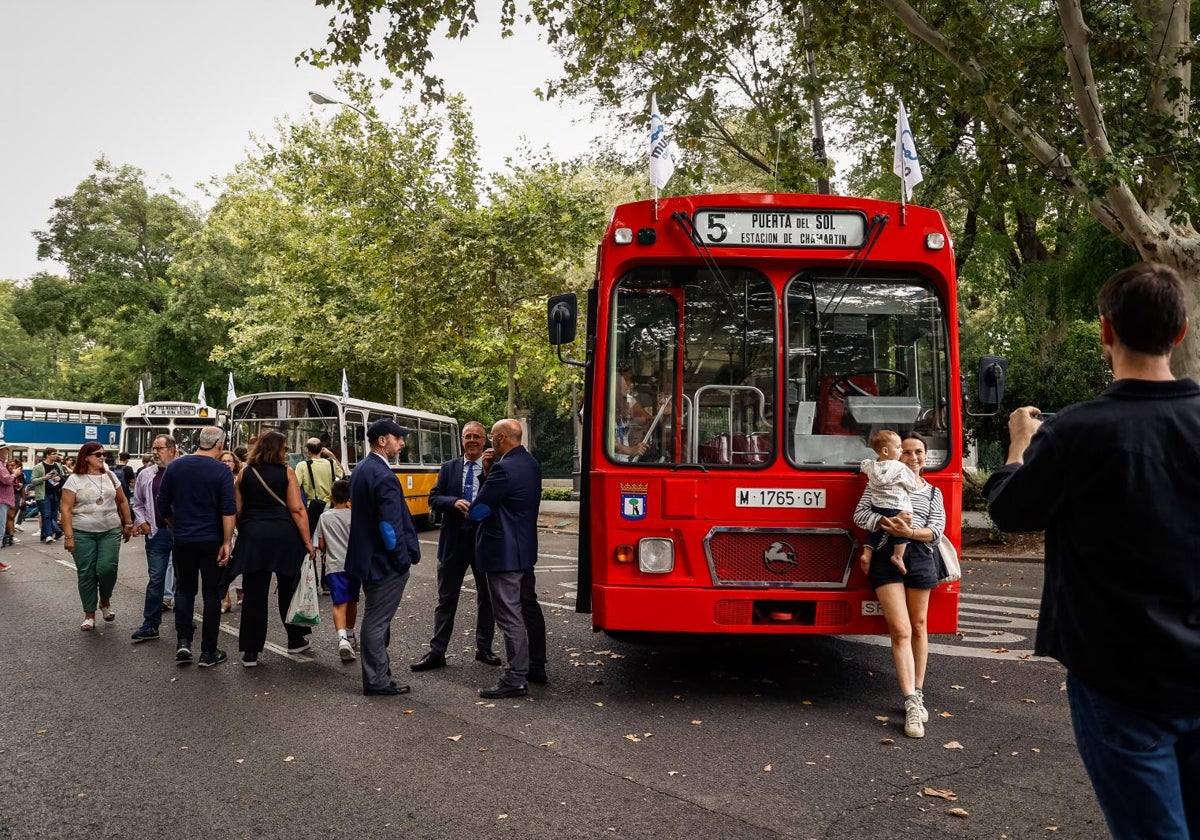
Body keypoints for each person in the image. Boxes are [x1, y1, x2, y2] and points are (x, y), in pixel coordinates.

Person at [984, 262, 1200, 837]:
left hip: (1119, 676)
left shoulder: (1078, 432)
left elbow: (1010, 511)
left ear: (1105, 332)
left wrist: (1018, 446)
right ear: (1180, 332)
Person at [853, 432, 945, 739]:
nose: (913, 456)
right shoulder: (879, 482)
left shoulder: (934, 492)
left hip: (919, 557)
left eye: (919, 451)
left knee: (919, 627)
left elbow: (936, 531)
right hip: (884, 556)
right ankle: (910, 703)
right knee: (900, 630)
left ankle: (918, 692)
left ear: (925, 455)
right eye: (906, 451)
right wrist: (885, 524)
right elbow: (860, 514)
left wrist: (909, 531)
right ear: (896, 455)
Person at [411, 421, 500, 673]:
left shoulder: (494, 467)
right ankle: (437, 651)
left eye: (477, 437)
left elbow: (499, 499)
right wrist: (453, 502)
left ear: (485, 441)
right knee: (446, 599)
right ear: (462, 440)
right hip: (453, 542)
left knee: (487, 598)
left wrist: (487, 471)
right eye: (467, 436)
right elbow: (433, 498)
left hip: (483, 540)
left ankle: (484, 648)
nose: (472, 440)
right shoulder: (449, 468)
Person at [469, 418, 544, 699]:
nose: (490, 441)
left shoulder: (504, 468)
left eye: (491, 436)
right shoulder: (530, 464)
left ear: (502, 438)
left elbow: (479, 511)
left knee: (509, 616)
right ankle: (530, 668)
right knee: (523, 610)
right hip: (524, 550)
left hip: (502, 553)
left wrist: (486, 478)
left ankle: (515, 677)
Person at [346, 419, 421, 696]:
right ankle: (377, 679)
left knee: (376, 618)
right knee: (377, 621)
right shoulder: (384, 475)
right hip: (384, 562)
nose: (401, 443)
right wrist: (402, 560)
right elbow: (389, 527)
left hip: (368, 558)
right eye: (397, 438)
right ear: (382, 441)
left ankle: (380, 672)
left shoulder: (363, 469)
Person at [232, 430, 317, 667]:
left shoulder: (244, 474)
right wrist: (308, 542)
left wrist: (246, 530)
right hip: (283, 536)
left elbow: (237, 510)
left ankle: (251, 651)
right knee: (288, 588)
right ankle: (295, 638)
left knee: (254, 593)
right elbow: (297, 509)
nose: (287, 452)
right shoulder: (286, 473)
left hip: (253, 536)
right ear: (277, 449)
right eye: (285, 448)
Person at [157, 425, 237, 668]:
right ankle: (208, 651)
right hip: (211, 539)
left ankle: (183, 641)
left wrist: (174, 523)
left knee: (184, 590)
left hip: (183, 538)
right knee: (212, 594)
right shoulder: (221, 471)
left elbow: (162, 503)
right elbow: (228, 509)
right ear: (220, 445)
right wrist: (226, 542)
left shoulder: (176, 467)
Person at [59, 441, 135, 631]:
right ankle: (89, 614)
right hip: (82, 532)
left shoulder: (109, 475)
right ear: (86, 457)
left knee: (107, 569)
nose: (102, 457)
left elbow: (123, 500)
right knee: (86, 573)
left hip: (110, 530)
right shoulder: (74, 479)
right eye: (98, 454)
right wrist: (69, 537)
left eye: (104, 454)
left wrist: (128, 523)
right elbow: (66, 509)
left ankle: (105, 601)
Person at [129, 435, 179, 643]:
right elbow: (138, 502)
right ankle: (150, 624)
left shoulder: (183, 471)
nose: (155, 452)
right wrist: (143, 522)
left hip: (182, 533)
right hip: (157, 533)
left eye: (160, 448)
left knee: (184, 579)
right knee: (156, 579)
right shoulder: (146, 474)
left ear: (173, 450)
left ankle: (184, 622)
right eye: (154, 448)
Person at [859, 430, 917, 574]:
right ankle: (898, 556)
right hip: (895, 506)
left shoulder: (872, 465)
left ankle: (867, 552)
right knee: (902, 529)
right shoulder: (899, 467)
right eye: (898, 447)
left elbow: (863, 466)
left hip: (877, 506)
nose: (901, 450)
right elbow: (912, 485)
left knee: (876, 530)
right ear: (885, 450)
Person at [314, 479, 359, 661]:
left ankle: (342, 639)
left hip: (334, 566)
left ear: (331, 497)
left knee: (339, 603)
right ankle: (350, 634)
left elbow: (321, 543)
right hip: (354, 564)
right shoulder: (354, 516)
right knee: (353, 601)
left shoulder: (324, 517)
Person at [296, 437, 345, 534]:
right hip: (330, 507)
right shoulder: (331, 463)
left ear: (307, 451)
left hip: (312, 509)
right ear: (322, 449)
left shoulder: (302, 465)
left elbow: (295, 486)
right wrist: (331, 455)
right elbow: (342, 474)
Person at [217, 450, 244, 613]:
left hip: (238, 526)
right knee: (223, 564)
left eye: (230, 460)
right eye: (223, 461)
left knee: (239, 562)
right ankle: (225, 599)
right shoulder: (217, 480)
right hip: (223, 526)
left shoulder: (240, 480)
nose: (227, 463)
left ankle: (241, 594)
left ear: (235, 463)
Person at [30, 448, 67, 543]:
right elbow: (33, 481)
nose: (56, 455)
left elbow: (64, 479)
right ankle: (51, 534)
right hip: (43, 494)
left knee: (54, 515)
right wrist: (44, 478)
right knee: (46, 515)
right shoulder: (38, 467)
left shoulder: (58, 465)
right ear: (47, 455)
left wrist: (60, 479)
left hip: (56, 494)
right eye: (54, 454)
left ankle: (45, 535)